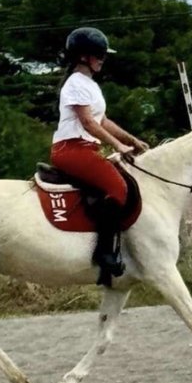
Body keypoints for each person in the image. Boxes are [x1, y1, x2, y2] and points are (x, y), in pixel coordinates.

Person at [50, 27, 149, 284]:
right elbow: (88, 123)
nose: (103, 59)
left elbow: (102, 120)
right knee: (118, 189)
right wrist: (118, 146)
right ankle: (103, 252)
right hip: (70, 149)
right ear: (84, 57)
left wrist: (132, 140)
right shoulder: (74, 84)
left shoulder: (90, 85)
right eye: (99, 55)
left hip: (86, 148)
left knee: (122, 183)